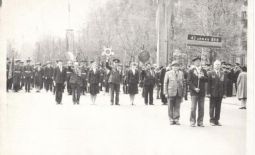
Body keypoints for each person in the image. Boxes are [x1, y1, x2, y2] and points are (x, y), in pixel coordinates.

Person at [188, 56, 208, 127]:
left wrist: (202, 77)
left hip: (202, 92)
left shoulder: (204, 71)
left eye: (199, 61)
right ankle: (192, 121)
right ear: (194, 62)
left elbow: (207, 79)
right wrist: (194, 88)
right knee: (193, 107)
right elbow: (189, 82)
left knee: (201, 108)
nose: (198, 62)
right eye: (196, 61)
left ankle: (200, 121)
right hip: (194, 92)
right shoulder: (191, 71)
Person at [164, 61, 185, 125]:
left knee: (177, 106)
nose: (175, 67)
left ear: (179, 67)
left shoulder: (181, 73)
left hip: (179, 92)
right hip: (170, 92)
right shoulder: (168, 73)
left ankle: (176, 119)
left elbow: (183, 84)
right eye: (174, 66)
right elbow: (165, 83)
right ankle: (171, 119)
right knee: (170, 107)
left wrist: (183, 94)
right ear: (172, 67)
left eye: (177, 66)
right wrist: (165, 93)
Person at [207, 60, 227, 126]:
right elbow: (208, 84)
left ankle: (217, 120)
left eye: (219, 64)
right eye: (216, 64)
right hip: (213, 93)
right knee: (212, 107)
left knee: (218, 107)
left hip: (220, 93)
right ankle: (211, 120)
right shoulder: (210, 73)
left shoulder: (223, 73)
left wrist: (224, 93)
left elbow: (224, 84)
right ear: (213, 65)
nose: (217, 66)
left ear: (220, 65)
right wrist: (208, 93)